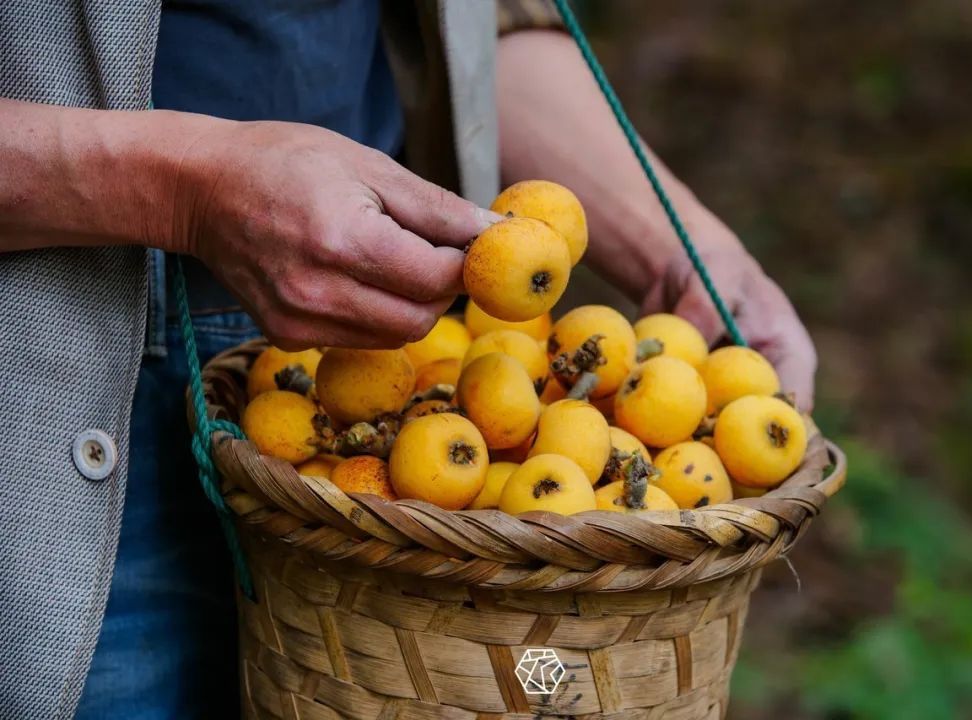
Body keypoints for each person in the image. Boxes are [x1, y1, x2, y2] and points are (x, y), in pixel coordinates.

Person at [0, 1, 816, 718]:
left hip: (392, 363)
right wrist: (183, 191)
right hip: (57, 396)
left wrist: (694, 258)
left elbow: (480, 30)